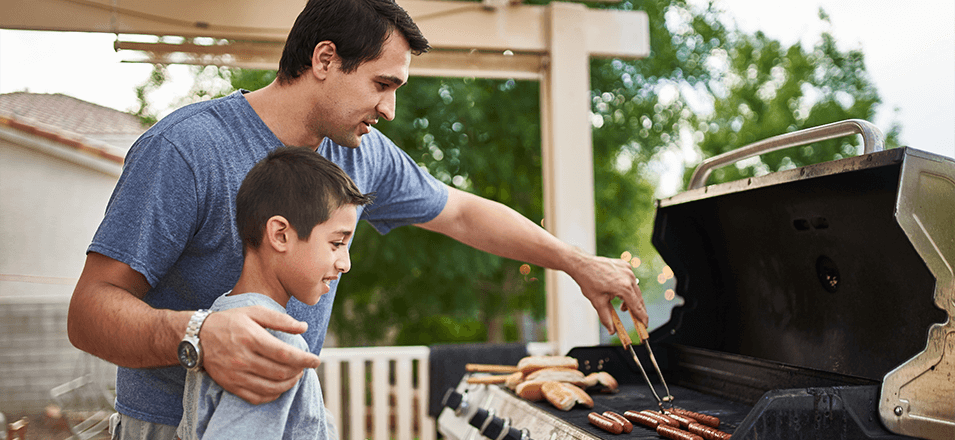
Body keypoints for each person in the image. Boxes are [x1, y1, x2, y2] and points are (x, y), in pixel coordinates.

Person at [68, 0, 648, 437]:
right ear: (325, 59)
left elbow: (465, 215)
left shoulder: (358, 153)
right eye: (382, 84)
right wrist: (198, 336)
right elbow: (89, 311)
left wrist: (576, 263)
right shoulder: (186, 149)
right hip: (172, 427)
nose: (390, 109)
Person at [177, 146, 372, 439]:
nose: (346, 263)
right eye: (336, 243)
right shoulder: (272, 339)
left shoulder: (221, 314)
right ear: (280, 234)